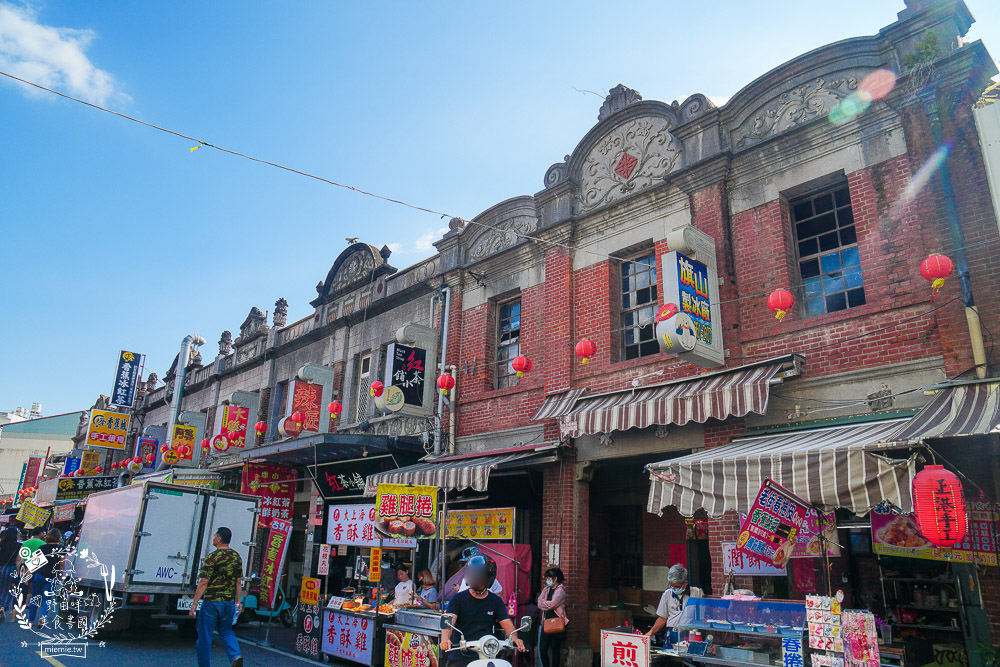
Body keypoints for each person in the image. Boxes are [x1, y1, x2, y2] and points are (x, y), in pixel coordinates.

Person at [440, 554, 524, 667]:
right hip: (461, 654)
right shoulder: (458, 599)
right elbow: (449, 622)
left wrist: (515, 638)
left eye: (478, 575)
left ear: (488, 577)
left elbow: (507, 624)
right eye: (473, 574)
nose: (475, 577)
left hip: (487, 652)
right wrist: (445, 639)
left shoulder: (495, 601)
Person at [189, 527, 243, 667]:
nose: (213, 538)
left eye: (214, 536)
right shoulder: (237, 557)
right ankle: (235, 656)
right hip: (229, 603)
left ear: (219, 539)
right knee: (226, 631)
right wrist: (238, 601)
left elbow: (204, 582)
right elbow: (238, 581)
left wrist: (194, 603)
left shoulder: (212, 557)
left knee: (205, 636)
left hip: (212, 602)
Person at [646, 564, 703, 644]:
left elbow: (702, 616)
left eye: (677, 586)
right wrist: (651, 632)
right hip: (672, 633)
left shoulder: (697, 592)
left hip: (690, 634)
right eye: (671, 586)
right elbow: (662, 618)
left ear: (685, 583)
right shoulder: (667, 594)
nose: (674, 589)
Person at [25, 529, 62, 627]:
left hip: (39, 575)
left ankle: (31, 620)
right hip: (52, 576)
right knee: (47, 598)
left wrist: (28, 575)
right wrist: (60, 577)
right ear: (58, 537)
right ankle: (43, 616)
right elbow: (62, 565)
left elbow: (34, 563)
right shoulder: (61, 548)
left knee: (35, 597)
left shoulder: (42, 548)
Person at [537, 567, 569, 667]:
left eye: (549, 578)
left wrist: (544, 603)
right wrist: (544, 603)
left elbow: (553, 604)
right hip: (546, 622)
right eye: (546, 578)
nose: (547, 580)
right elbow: (539, 603)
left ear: (555, 579)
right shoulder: (546, 589)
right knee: (542, 648)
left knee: (555, 649)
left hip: (557, 622)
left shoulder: (561, 590)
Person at [0, 527, 20, 623]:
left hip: (1, 568)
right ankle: (3, 606)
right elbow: (19, 561)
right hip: (11, 569)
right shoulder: (19, 546)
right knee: (8, 589)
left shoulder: (1, 544)